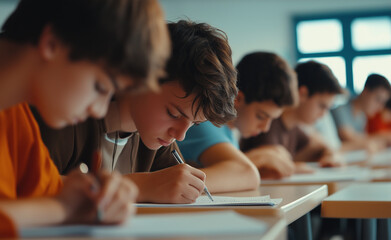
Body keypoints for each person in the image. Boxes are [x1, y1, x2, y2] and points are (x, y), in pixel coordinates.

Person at [0, 0, 170, 237]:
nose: (100, 111)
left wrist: (93, 196)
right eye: (101, 87)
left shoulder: (15, 117)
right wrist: (61, 209)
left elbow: (45, 192)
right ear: (52, 43)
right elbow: (54, 205)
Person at [32, 20, 238, 204]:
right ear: (141, 77)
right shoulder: (71, 113)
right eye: (174, 114)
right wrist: (138, 186)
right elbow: (27, 182)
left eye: (195, 123)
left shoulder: (156, 137)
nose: (181, 135)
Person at [178, 52, 298, 190]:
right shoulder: (203, 122)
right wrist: (258, 157)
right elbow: (244, 171)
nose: (265, 128)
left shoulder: (228, 133)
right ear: (237, 99)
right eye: (261, 116)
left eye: (272, 119)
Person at [241, 61, 345, 172]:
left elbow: (319, 147)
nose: (323, 114)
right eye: (321, 106)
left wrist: (330, 155)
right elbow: (269, 165)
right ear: (303, 93)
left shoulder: (293, 127)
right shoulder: (267, 124)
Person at [332, 74, 391, 152]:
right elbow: (349, 137)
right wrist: (384, 137)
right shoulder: (340, 110)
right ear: (365, 91)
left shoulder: (362, 116)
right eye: (378, 99)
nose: (380, 107)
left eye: (383, 102)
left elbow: (363, 140)